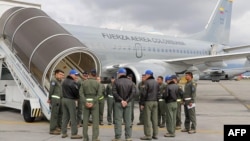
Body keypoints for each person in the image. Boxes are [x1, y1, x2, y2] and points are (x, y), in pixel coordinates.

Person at [112, 68, 136, 141]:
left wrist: (121, 100)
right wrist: (126, 101)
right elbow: (133, 93)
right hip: (128, 103)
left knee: (118, 120)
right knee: (128, 120)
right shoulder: (130, 82)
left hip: (118, 103)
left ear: (119, 74)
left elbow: (114, 92)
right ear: (125, 74)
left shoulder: (116, 82)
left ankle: (118, 137)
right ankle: (128, 137)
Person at [80, 69, 102, 141]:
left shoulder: (84, 83)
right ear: (95, 75)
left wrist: (85, 102)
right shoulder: (98, 83)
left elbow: (81, 93)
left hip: (86, 102)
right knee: (95, 121)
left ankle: (85, 138)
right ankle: (94, 138)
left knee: (85, 121)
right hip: (94, 104)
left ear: (89, 74)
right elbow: (99, 94)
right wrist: (93, 102)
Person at [61, 69, 82, 139]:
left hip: (64, 99)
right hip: (70, 100)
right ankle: (74, 134)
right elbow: (76, 92)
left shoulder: (64, 81)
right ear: (71, 75)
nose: (76, 76)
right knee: (73, 117)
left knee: (65, 117)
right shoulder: (73, 82)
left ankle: (63, 133)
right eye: (75, 75)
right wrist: (77, 98)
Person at [140, 70, 159, 140]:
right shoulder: (156, 82)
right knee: (154, 119)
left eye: (145, 75)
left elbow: (144, 94)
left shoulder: (146, 82)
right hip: (155, 102)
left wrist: (142, 103)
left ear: (148, 75)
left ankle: (148, 135)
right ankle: (155, 134)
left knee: (147, 118)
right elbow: (158, 93)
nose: (145, 76)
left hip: (148, 102)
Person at [47, 69, 64, 135]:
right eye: (60, 74)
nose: (62, 76)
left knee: (60, 113)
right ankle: (52, 129)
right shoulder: (54, 81)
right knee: (54, 114)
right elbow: (51, 90)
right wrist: (49, 98)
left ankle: (58, 126)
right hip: (55, 99)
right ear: (56, 74)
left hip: (60, 99)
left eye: (62, 75)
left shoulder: (61, 81)